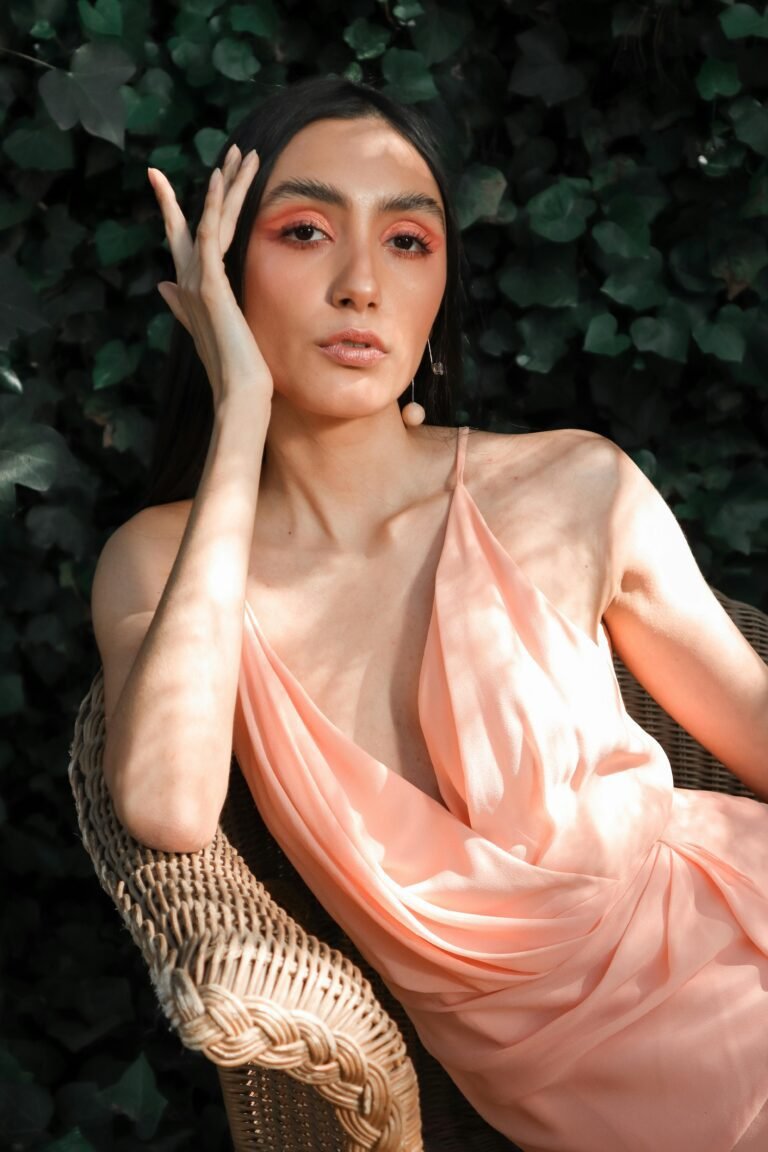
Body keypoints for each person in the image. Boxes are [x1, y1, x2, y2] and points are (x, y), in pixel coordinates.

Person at [90, 76, 768, 1152]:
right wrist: (242, 416)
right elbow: (169, 811)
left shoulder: (570, 487)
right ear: (223, 276)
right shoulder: (161, 560)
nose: (361, 283)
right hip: (603, 1089)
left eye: (409, 242)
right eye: (306, 231)